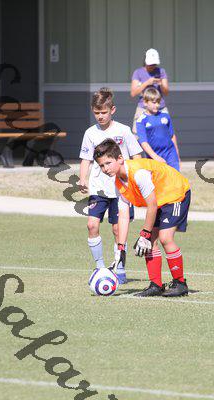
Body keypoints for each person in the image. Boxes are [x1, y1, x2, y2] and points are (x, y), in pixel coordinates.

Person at [94, 138, 191, 297]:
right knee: (150, 241)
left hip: (175, 192)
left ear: (120, 159)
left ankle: (180, 284)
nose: (105, 169)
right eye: (101, 165)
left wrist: (144, 234)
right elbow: (123, 216)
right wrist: (120, 248)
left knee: (165, 238)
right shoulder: (118, 182)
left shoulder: (138, 174)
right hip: (159, 198)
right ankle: (156, 285)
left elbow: (152, 205)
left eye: (108, 163)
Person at [78, 88, 143, 283]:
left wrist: (137, 177)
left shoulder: (123, 131)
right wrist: (82, 178)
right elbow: (86, 158)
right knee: (91, 225)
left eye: (103, 112)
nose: (100, 116)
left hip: (121, 189)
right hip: (98, 188)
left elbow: (136, 155)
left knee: (117, 230)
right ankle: (100, 268)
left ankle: (119, 267)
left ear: (112, 110)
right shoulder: (90, 133)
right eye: (96, 112)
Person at [135, 87, 181, 171]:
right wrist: (155, 157)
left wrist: (177, 154)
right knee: (159, 178)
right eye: (154, 102)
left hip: (170, 154)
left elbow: (172, 135)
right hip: (154, 156)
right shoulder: (141, 121)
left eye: (158, 102)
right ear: (145, 102)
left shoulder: (165, 116)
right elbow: (143, 142)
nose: (157, 105)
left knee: (175, 176)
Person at [130, 49, 170, 134]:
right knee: (137, 134)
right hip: (143, 108)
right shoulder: (138, 72)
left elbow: (166, 92)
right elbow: (133, 93)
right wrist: (147, 83)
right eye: (150, 64)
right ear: (146, 62)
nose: (152, 66)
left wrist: (161, 84)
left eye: (154, 64)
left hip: (160, 107)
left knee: (165, 133)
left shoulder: (161, 71)